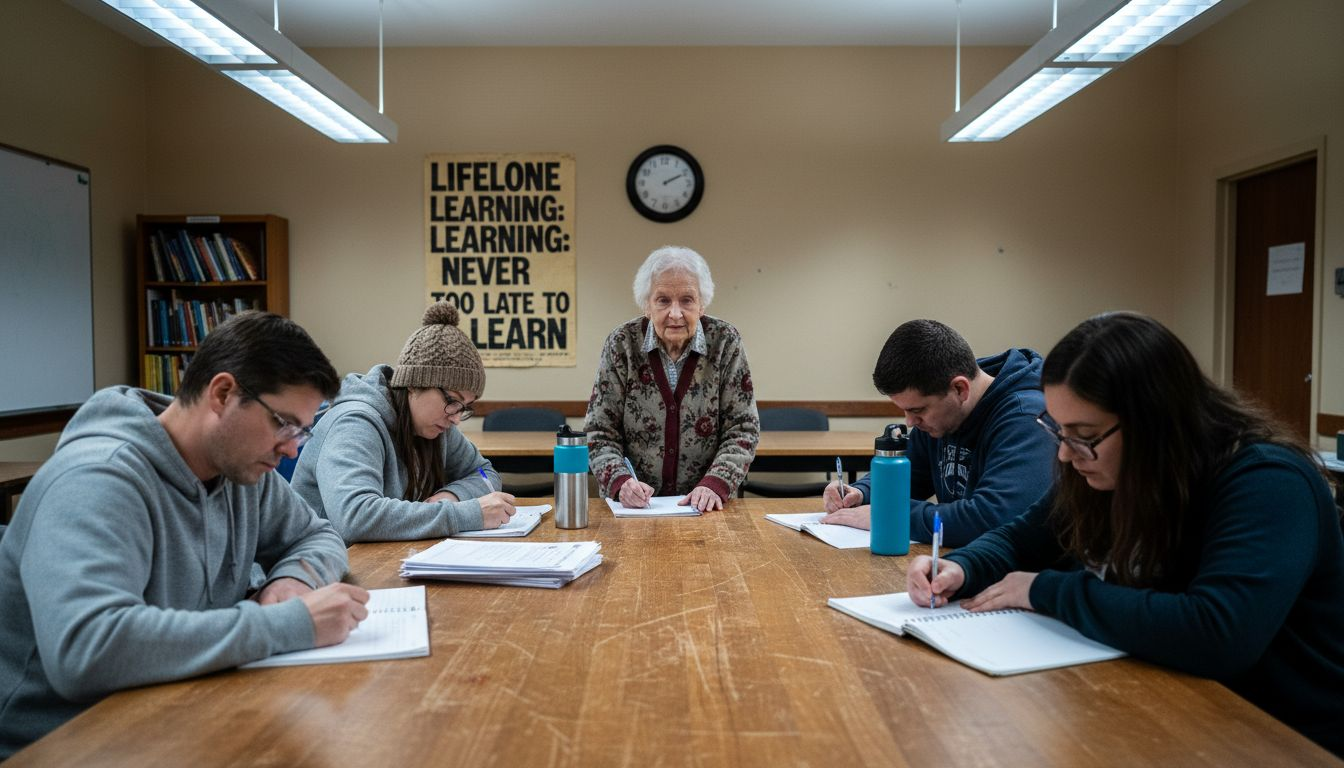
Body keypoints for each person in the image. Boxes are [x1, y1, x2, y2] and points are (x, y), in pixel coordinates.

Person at [907, 312, 1344, 757]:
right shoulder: (1104, 467)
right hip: (1168, 703)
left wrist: (1044, 589)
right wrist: (962, 566)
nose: (1064, 452)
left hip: (1282, 735)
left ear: (1154, 420)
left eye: (1084, 435)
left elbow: (1217, 632)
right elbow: (1022, 537)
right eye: (1058, 430)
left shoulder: (1268, 483)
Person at [0, 311, 368, 757]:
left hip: (179, 710)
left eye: (303, 432)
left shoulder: (243, 471)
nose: (292, 448)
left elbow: (317, 535)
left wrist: (292, 581)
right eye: (283, 423)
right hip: (65, 744)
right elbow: (87, 649)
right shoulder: (97, 480)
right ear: (223, 393)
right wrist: (288, 623)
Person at [291, 301, 516, 542]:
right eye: (452, 400)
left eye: (465, 407)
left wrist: (452, 496)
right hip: (320, 568)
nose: (457, 418)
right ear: (413, 383)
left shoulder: (439, 426)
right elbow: (355, 517)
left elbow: (483, 472)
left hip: (379, 560)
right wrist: (465, 514)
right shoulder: (354, 423)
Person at [821, 319, 1056, 546]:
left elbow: (994, 519)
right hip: (961, 563)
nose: (910, 422)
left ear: (959, 389)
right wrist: (860, 492)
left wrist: (893, 517)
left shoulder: (1027, 419)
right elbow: (912, 475)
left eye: (918, 410)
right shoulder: (941, 416)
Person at [585, 245, 760, 512]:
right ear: (647, 305)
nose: (675, 313)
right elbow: (599, 431)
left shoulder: (725, 342)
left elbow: (742, 429)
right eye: (663, 300)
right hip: (634, 511)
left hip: (707, 508)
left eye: (687, 300)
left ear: (702, 304)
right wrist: (622, 483)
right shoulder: (621, 343)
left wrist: (715, 484)